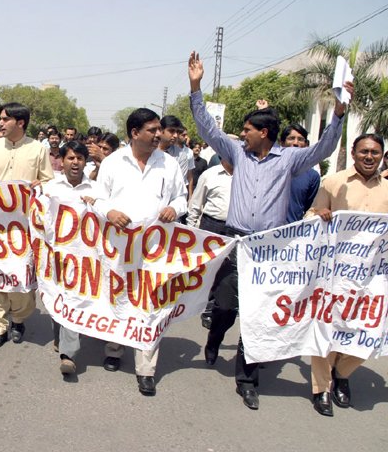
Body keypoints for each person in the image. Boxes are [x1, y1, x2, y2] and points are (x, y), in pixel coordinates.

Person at [187, 50, 352, 411]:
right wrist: (195, 87)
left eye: (247, 129)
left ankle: (247, 379)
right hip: (236, 243)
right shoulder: (236, 152)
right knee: (227, 307)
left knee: (258, 313)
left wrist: (338, 115)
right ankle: (215, 338)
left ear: (264, 133)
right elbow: (207, 129)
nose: (241, 134)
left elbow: (325, 146)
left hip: (271, 249)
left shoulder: (291, 159)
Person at [94, 108, 187, 396]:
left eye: (159, 129)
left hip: (156, 248)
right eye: (152, 129)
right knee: (118, 296)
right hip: (119, 247)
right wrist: (109, 211)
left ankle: (146, 368)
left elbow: (182, 196)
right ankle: (114, 347)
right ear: (135, 133)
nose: (159, 134)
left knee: (152, 303)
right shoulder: (112, 162)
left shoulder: (169, 164)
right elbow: (97, 199)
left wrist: (176, 208)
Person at [305, 133, 388, 417]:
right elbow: (310, 217)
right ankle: (322, 388)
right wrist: (320, 214)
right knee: (327, 328)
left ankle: (342, 373)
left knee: (369, 331)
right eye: (364, 151)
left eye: (375, 153)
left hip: (371, 279)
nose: (369, 157)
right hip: (333, 274)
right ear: (353, 153)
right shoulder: (334, 182)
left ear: (381, 156)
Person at [0, 102, 54, 350]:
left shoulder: (38, 150)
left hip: (22, 228)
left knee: (20, 277)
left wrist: (40, 185)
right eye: (0, 119)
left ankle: (18, 319)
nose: (0, 123)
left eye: (5, 119)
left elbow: (49, 182)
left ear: (21, 123)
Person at [43, 141, 104, 376]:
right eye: (70, 158)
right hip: (56, 255)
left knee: (74, 298)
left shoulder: (96, 190)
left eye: (80, 158)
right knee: (57, 296)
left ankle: (69, 355)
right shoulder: (50, 188)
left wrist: (97, 205)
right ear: (63, 161)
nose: (75, 162)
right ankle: (58, 333)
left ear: (85, 162)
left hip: (85, 258)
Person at [186, 159, 233, 330]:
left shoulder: (246, 175)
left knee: (227, 271)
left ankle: (214, 307)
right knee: (209, 268)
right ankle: (203, 305)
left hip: (234, 229)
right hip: (211, 226)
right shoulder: (210, 175)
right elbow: (196, 204)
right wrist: (191, 230)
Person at [280, 124, 320, 223]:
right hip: (263, 233)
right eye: (291, 138)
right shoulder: (268, 168)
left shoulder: (312, 176)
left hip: (290, 234)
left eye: (300, 139)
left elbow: (309, 210)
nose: (296, 143)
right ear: (282, 143)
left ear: (306, 144)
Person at [161, 116, 195, 200]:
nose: (175, 135)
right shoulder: (148, 151)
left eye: (177, 132)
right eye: (171, 131)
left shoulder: (181, 155)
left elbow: (180, 182)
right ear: (161, 130)